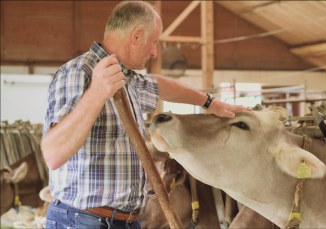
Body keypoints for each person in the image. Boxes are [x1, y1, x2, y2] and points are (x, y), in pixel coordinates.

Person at [41, 2, 251, 229]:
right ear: (136, 36)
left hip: (127, 220)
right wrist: (96, 94)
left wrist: (210, 102)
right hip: (83, 221)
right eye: (155, 42)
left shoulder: (128, 78)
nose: (154, 52)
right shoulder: (78, 73)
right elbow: (53, 155)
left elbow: (161, 86)